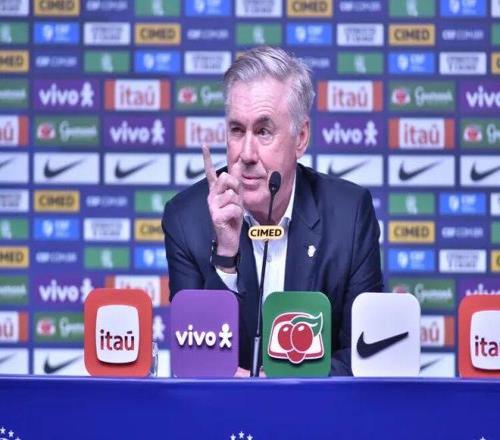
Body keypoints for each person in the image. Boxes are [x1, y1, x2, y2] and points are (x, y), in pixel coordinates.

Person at [162, 46, 382, 376]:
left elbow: (364, 356)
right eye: (237, 130)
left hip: (316, 407)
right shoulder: (187, 219)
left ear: (301, 138)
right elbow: (195, 355)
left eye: (264, 131)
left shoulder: (349, 215)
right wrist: (225, 255)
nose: (247, 154)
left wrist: (284, 382)